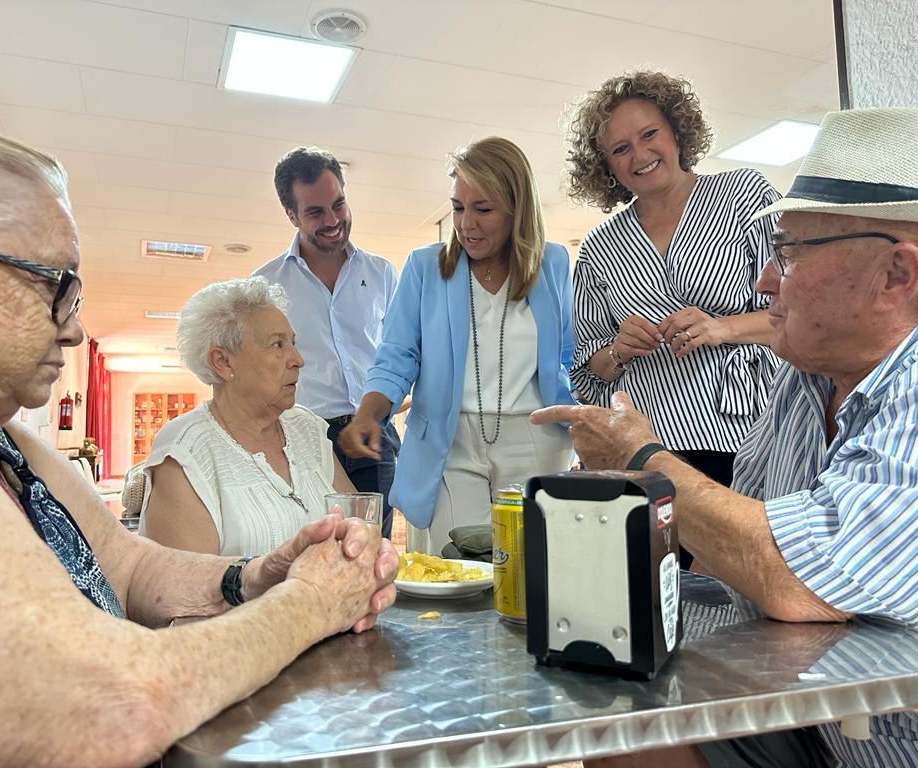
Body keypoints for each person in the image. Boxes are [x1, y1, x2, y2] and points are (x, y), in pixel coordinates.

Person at [0, 109, 397, 767]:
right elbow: (109, 709)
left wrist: (258, 575)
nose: (73, 329)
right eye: (49, 283)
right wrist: (307, 603)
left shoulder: (2, 442)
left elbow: (129, 565)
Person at [533, 106, 918, 767]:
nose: (765, 281)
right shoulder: (801, 383)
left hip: (890, 744)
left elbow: (797, 581)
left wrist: (637, 456)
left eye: (788, 254)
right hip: (818, 720)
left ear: (896, 276)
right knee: (609, 722)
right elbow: (726, 561)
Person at [339, 136, 576, 555]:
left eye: (483, 209)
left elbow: (567, 355)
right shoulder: (425, 267)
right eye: (458, 207)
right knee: (458, 564)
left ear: (517, 209)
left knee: (533, 565)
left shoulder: (552, 263)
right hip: (450, 441)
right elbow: (397, 355)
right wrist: (369, 413)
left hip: (535, 436)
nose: (466, 223)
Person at [565, 70, 780, 497]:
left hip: (751, 439)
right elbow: (586, 376)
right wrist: (618, 350)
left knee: (745, 540)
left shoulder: (744, 195)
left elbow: (803, 314)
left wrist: (723, 327)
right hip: (647, 448)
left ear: (677, 131)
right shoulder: (598, 248)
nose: (640, 154)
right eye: (621, 148)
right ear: (606, 166)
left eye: (650, 134)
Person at [138, 277, 356, 556]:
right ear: (223, 362)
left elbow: (355, 523)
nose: (298, 359)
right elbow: (185, 580)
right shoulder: (185, 450)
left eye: (293, 343)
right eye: (278, 345)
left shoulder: (307, 428)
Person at [253, 147, 401, 538]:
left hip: (373, 437)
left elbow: (400, 357)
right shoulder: (265, 286)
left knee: (371, 549)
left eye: (338, 204)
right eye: (316, 212)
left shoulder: (381, 273)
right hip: (301, 441)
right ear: (291, 215)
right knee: (311, 548)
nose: (333, 220)